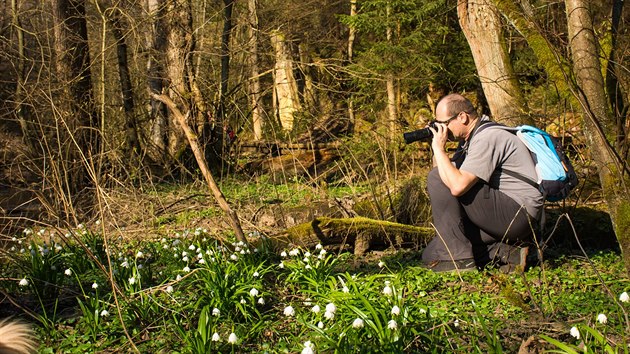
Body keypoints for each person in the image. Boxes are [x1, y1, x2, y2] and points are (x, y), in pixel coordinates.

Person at [421, 93, 543, 272]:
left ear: (462, 117)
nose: (442, 129)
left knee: (436, 178)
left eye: (443, 124)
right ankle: (508, 252)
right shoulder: (468, 142)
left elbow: (456, 185)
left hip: (518, 215)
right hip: (500, 215)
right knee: (433, 252)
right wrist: (437, 147)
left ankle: (460, 262)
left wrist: (438, 149)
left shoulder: (488, 137)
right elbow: (445, 173)